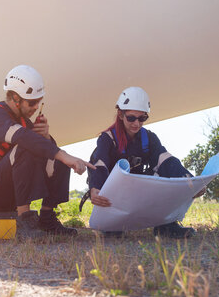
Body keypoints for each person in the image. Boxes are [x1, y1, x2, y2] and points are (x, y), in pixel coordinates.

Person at [0, 65, 95, 239]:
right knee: (31, 147)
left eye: (39, 102)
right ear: (16, 98)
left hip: (9, 190)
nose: (36, 107)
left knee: (52, 153)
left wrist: (47, 138)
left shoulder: (22, 121)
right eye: (32, 102)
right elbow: (24, 139)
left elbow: (44, 147)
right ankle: (24, 219)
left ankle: (47, 218)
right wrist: (63, 155)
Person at [87, 86, 204, 238]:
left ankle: (166, 226)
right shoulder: (107, 138)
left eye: (142, 118)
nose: (137, 123)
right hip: (113, 192)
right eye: (131, 118)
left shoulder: (149, 138)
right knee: (115, 234)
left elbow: (166, 160)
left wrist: (190, 180)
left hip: (137, 191)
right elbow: (99, 164)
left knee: (166, 176)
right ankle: (111, 227)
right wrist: (95, 188)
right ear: (120, 114)